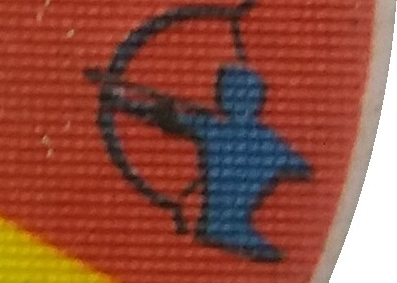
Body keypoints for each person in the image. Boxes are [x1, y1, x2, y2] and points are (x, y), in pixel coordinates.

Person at [112, 62, 310, 262]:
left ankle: (228, 226)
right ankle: (226, 227)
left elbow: (300, 167)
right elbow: (299, 166)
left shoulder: (237, 132)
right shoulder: (255, 136)